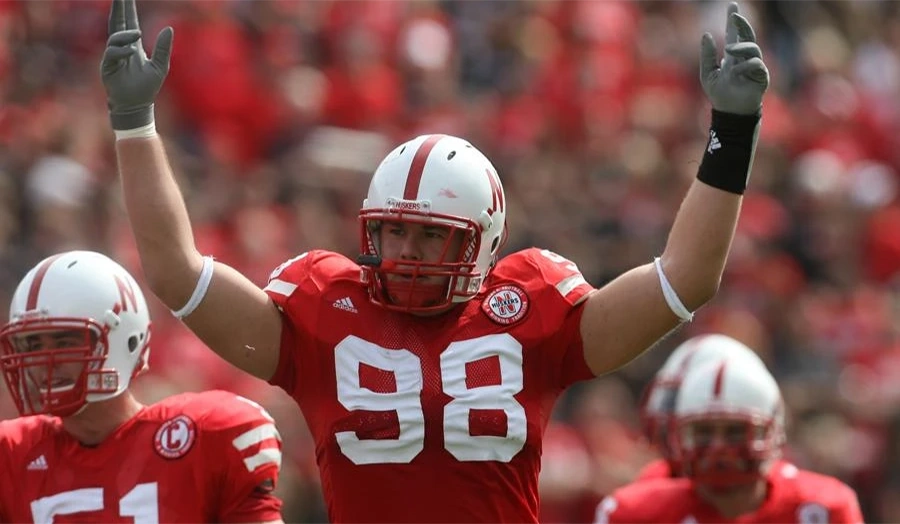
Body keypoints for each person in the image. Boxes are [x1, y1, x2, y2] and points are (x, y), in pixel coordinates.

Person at [99, 0, 770, 520]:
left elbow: (686, 279)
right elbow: (177, 273)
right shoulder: (322, 311)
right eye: (393, 232)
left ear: (484, 241)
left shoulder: (532, 310)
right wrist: (134, 121)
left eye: (431, 237)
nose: (406, 252)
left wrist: (732, 133)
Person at [0, 251, 284, 523]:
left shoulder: (205, 437)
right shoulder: (11, 454)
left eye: (64, 342)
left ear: (125, 339)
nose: (44, 361)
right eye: (33, 345)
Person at [595, 358, 864, 523]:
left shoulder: (821, 507)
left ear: (772, 433)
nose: (719, 448)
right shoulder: (634, 514)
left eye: (735, 431)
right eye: (704, 432)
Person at [636, 333, 769, 481]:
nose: (666, 414)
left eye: (734, 430)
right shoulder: (651, 481)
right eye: (671, 400)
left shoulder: (783, 489)